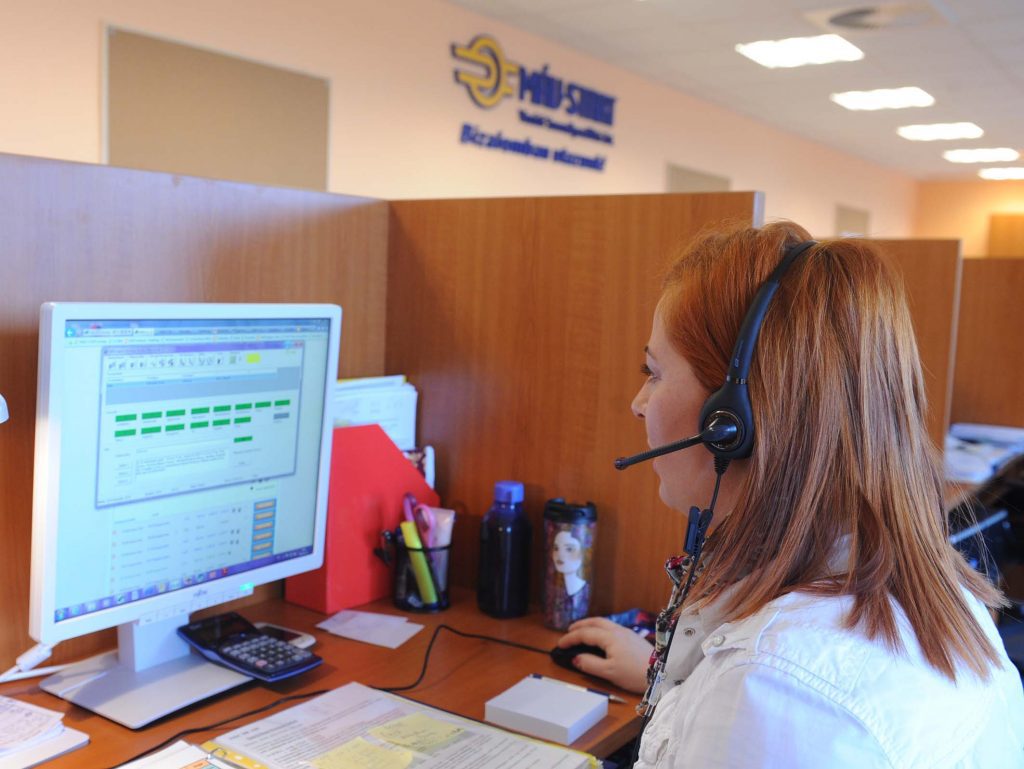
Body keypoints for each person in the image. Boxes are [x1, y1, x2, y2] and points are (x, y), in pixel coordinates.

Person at [556, 221, 1024, 767]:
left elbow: (782, 708)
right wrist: (684, 687)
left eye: (654, 372)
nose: (639, 403)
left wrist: (730, 695)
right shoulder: (933, 592)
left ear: (731, 421)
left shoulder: (774, 692)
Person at [547, 528, 591, 629]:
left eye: (569, 549)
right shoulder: (555, 590)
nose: (560, 555)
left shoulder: (584, 591)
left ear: (583, 552)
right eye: (556, 548)